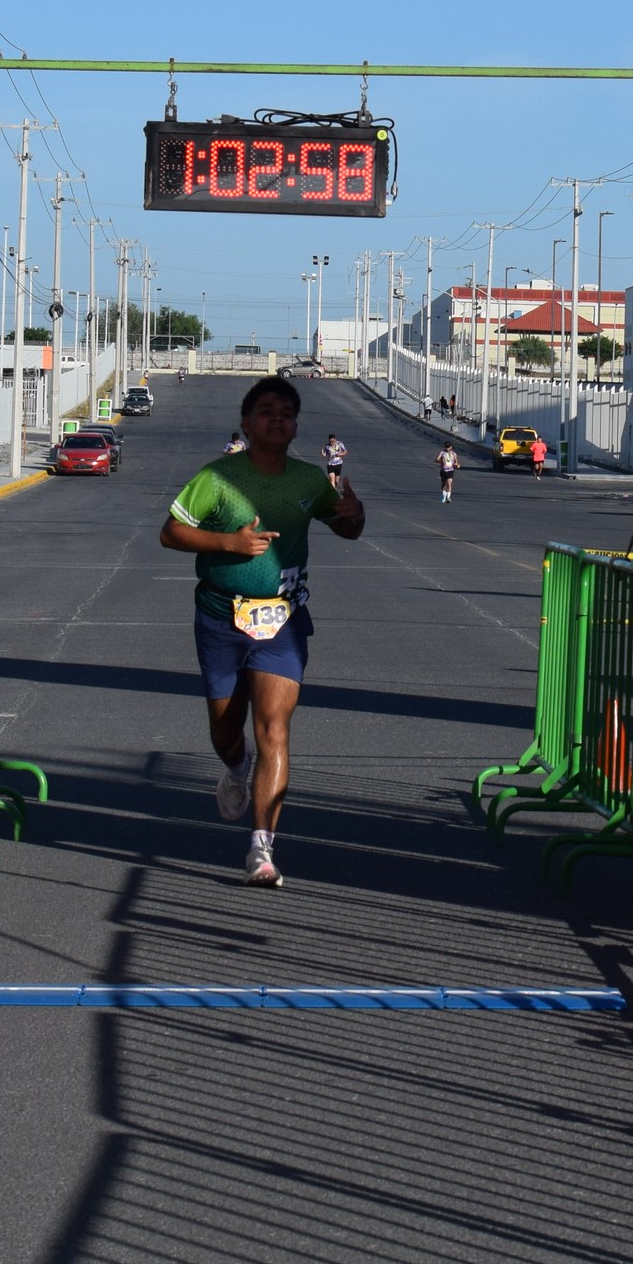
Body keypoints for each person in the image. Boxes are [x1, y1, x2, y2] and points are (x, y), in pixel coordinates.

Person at [162, 376, 366, 885]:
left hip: (282, 620)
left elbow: (346, 527)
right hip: (220, 617)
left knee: (274, 729)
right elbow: (170, 533)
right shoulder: (217, 477)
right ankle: (236, 768)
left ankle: (262, 848)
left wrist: (354, 513)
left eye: (286, 413)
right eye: (267, 411)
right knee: (225, 731)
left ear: (295, 427)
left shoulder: (310, 481)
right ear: (246, 422)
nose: (277, 419)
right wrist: (227, 544)